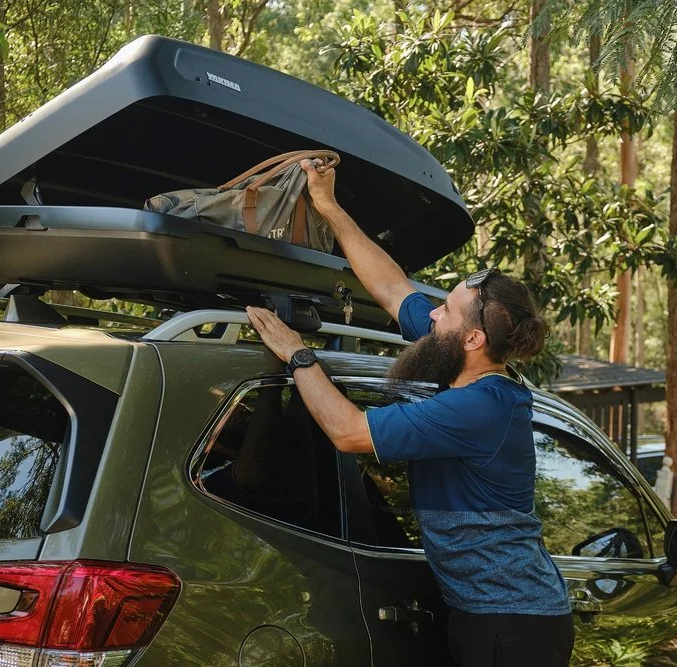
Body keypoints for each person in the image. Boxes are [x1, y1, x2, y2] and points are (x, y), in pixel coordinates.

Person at [244, 159, 574, 667]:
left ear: (472, 339)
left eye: (444, 309)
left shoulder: (479, 407)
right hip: (482, 613)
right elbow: (393, 287)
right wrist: (329, 206)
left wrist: (298, 357)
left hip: (515, 626)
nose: (432, 312)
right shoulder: (459, 361)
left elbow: (350, 433)